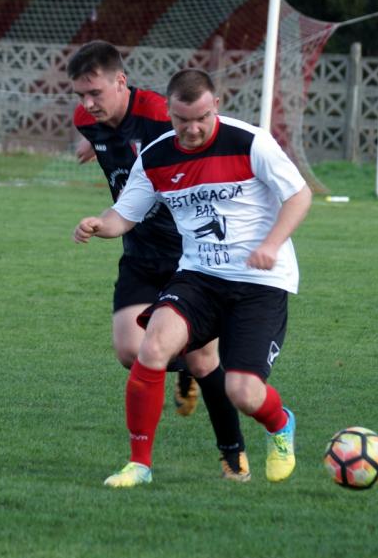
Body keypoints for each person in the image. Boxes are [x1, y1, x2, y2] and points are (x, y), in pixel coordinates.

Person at [73, 68, 313, 488]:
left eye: (202, 116)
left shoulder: (250, 141)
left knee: (243, 392)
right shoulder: (158, 155)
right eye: (183, 119)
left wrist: (272, 244)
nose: (194, 128)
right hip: (199, 276)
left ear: (215, 105)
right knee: (152, 347)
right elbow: (124, 215)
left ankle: (279, 423)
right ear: (170, 112)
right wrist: (99, 224)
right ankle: (139, 464)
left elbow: (299, 194)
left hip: (260, 283)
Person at [67, 41, 250, 481]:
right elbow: (112, 146)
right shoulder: (86, 122)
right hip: (139, 250)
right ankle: (180, 358)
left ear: (121, 81)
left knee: (206, 362)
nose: (87, 104)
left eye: (96, 93)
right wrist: (94, 145)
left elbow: (202, 132)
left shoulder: (158, 115)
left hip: (191, 254)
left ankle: (233, 454)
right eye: (79, 95)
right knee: (130, 350)